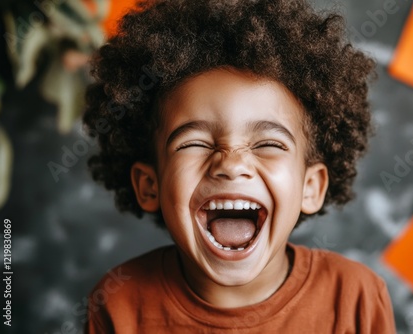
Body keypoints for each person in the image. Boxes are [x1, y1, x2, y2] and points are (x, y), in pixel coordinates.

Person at [83, 0, 396, 332]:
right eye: (195, 143)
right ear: (150, 185)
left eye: (267, 145)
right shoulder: (118, 303)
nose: (230, 165)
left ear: (311, 187)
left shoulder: (355, 298)